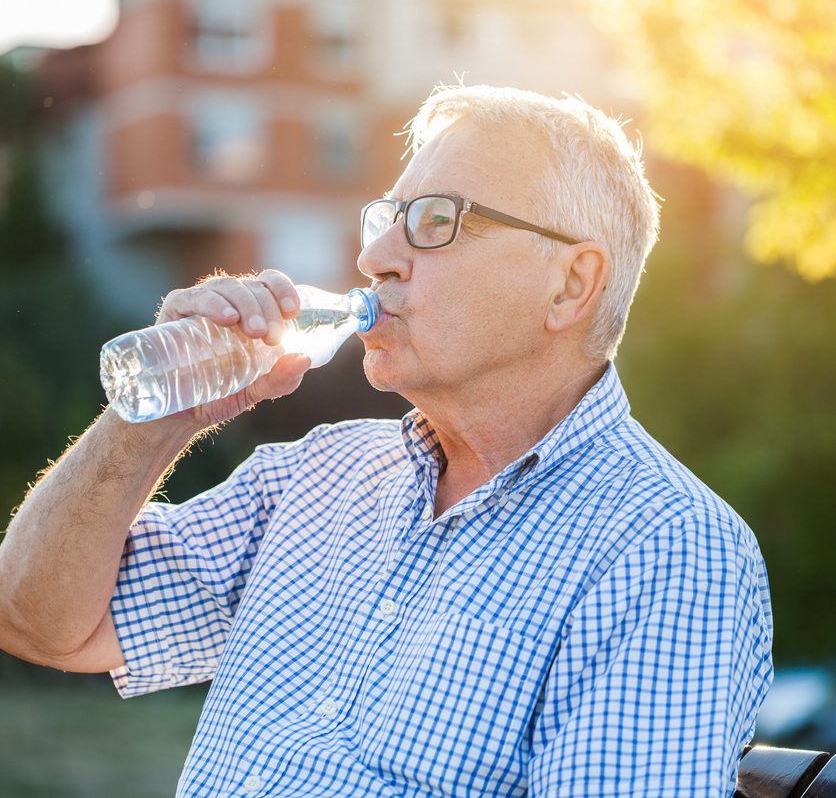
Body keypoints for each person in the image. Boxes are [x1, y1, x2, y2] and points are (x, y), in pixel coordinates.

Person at [0, 84, 772, 797]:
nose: (373, 259)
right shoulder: (317, 475)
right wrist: (156, 419)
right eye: (385, 220)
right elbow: (36, 620)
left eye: (435, 221)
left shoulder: (669, 549)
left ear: (570, 284)